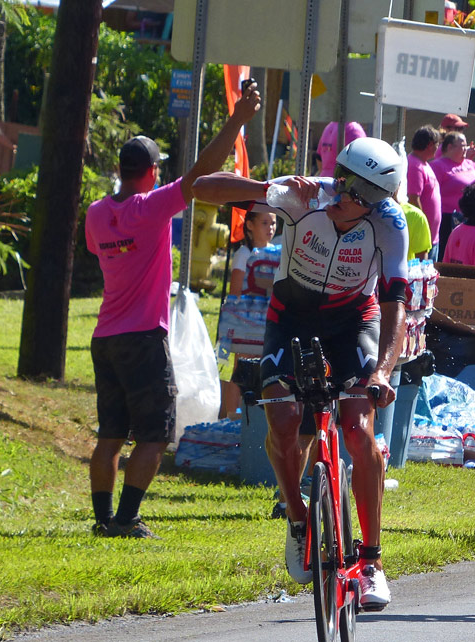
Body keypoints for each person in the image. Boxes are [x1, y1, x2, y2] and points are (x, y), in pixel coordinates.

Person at [192, 137, 409, 609]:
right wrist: (268, 187)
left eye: (359, 193)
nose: (344, 195)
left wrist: (384, 372)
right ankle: (296, 516)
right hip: (290, 315)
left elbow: (395, 302)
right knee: (285, 421)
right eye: (343, 180)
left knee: (356, 428)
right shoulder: (302, 196)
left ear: (376, 201)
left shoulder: (389, 224)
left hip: (354, 321)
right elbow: (201, 188)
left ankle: (371, 562)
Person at [84, 83, 262, 539]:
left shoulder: (97, 215)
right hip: (143, 337)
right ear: (151, 172)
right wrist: (238, 120)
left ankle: (102, 519)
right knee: (155, 436)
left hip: (105, 339)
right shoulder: (151, 207)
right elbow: (201, 175)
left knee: (109, 435)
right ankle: (127, 519)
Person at [431, 131, 475, 256]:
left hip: (471, 219)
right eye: (462, 146)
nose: (466, 149)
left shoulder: (469, 164)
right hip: (448, 219)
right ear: (450, 147)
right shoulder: (438, 166)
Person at [406, 125, 442, 258]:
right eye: (437, 144)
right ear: (431, 144)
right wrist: (422, 229)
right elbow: (413, 199)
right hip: (423, 241)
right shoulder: (415, 165)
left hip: (431, 239)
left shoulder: (423, 163)